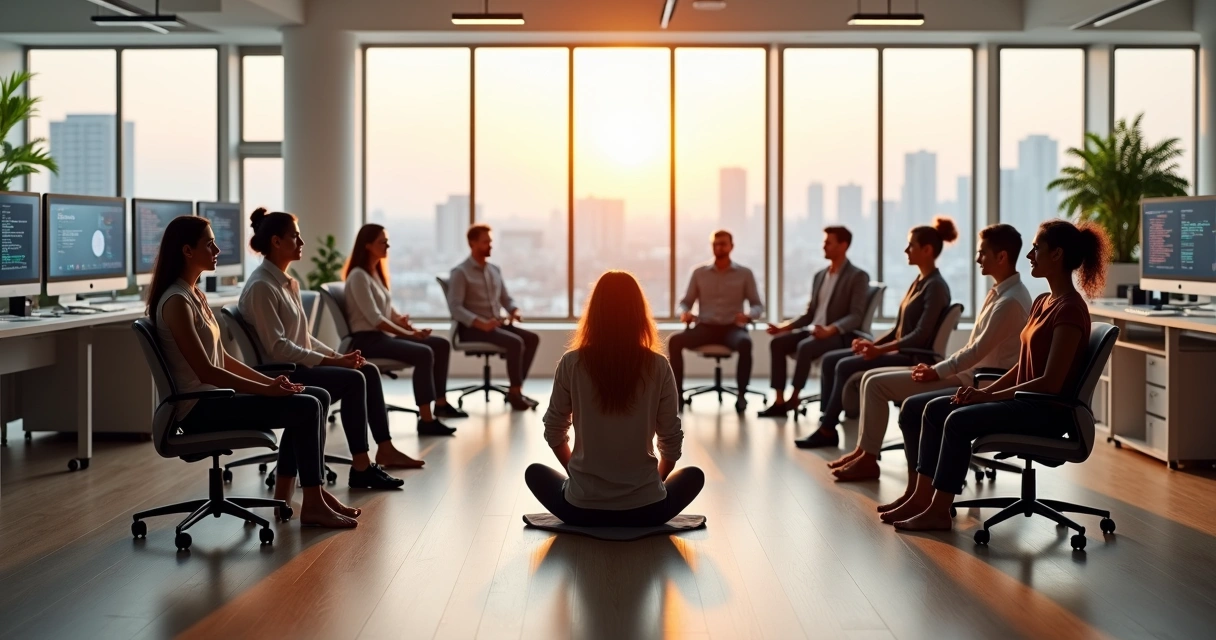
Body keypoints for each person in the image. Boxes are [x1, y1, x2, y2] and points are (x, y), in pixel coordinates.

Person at [882, 219, 1109, 532]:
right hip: (1026, 402)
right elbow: (1022, 367)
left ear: (1056, 255)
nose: (1029, 256)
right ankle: (922, 497)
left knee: (957, 420)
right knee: (935, 409)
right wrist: (984, 393)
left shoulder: (1069, 309)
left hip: (1046, 412)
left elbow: (1052, 383)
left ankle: (938, 509)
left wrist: (988, 394)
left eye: (1036, 249)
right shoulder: (1044, 302)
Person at [147, 216, 357, 529]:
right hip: (200, 409)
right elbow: (207, 370)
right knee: (307, 405)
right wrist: (265, 390)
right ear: (187, 251)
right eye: (209, 243)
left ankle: (312, 494)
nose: (218, 249)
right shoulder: (177, 301)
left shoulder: (194, 295)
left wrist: (270, 382)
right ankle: (312, 500)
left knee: (317, 395)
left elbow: (225, 359)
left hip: (215, 399)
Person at [828, 224, 1032, 481]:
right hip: (969, 375)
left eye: (982, 253)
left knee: (876, 385)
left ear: (1001, 257)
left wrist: (935, 370)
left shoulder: (1009, 301)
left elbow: (976, 351)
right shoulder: (1001, 293)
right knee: (870, 380)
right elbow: (973, 348)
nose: (977, 258)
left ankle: (870, 460)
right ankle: (864, 453)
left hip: (979, 382)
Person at [240, 209, 422, 487]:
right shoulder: (262, 287)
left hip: (296, 366)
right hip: (281, 376)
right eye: (295, 237)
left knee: (367, 370)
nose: (302, 243)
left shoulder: (287, 283)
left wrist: (338, 356)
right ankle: (361, 466)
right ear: (276, 242)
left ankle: (384, 449)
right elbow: (279, 349)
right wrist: (332, 363)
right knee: (353, 379)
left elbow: (304, 337)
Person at [527, 270, 704, 526]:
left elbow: (553, 431)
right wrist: (653, 483)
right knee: (694, 475)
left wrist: (577, 478)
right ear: (639, 315)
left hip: (581, 509)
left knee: (535, 473)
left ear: (594, 314)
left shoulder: (571, 363)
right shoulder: (658, 365)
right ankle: (643, 499)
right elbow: (671, 440)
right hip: (646, 510)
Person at [796, 216, 957, 449]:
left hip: (915, 357)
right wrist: (871, 345)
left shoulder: (936, 286)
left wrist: (878, 350)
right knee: (832, 360)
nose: (906, 250)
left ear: (927, 250)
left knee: (842, 364)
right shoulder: (920, 282)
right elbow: (898, 329)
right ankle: (828, 418)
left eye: (911, 245)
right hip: (904, 350)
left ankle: (827, 428)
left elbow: (920, 335)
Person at [345, 224, 464, 436]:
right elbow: (375, 319)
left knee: (440, 344)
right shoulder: (358, 276)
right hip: (367, 341)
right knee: (424, 352)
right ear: (368, 245)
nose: (387, 245)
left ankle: (441, 403)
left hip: (380, 336)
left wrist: (405, 324)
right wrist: (409, 335)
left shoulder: (374, 273)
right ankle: (426, 421)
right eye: (383, 241)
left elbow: (387, 311)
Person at [760, 226, 870, 417]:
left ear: (843, 245)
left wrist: (831, 329)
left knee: (805, 346)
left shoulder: (857, 276)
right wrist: (782, 328)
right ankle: (779, 401)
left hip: (840, 335)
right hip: (815, 330)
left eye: (828, 242)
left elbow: (856, 315)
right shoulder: (820, 275)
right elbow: (810, 314)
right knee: (778, 343)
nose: (824, 246)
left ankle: (794, 398)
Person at [668, 230, 765, 412]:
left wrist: (749, 315)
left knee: (745, 343)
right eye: (715, 244)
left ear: (731, 246)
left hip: (732, 327)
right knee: (675, 340)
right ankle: (677, 395)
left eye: (722, 244)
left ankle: (742, 396)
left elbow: (758, 305)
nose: (718, 247)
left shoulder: (745, 273)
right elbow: (684, 303)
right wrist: (685, 313)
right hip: (705, 327)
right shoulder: (699, 273)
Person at [447, 223, 541, 411]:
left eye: (490, 241)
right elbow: (455, 308)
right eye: (485, 242)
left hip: (495, 325)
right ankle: (515, 394)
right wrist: (480, 323)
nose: (490, 245)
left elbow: (506, 299)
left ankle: (516, 389)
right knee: (515, 343)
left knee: (532, 338)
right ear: (472, 243)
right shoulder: (460, 273)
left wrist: (514, 310)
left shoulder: (494, 270)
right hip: (473, 329)